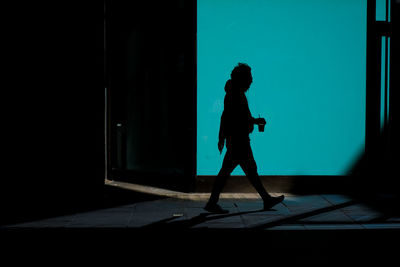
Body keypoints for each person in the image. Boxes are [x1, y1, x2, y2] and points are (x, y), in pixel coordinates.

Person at [204, 63, 284, 213]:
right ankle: (212, 202)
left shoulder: (234, 93)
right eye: (249, 77)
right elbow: (232, 117)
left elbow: (230, 117)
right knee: (238, 171)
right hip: (238, 140)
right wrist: (254, 122)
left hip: (236, 140)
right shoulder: (236, 95)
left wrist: (222, 137)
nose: (251, 81)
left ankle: (266, 199)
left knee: (245, 171)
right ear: (243, 78)